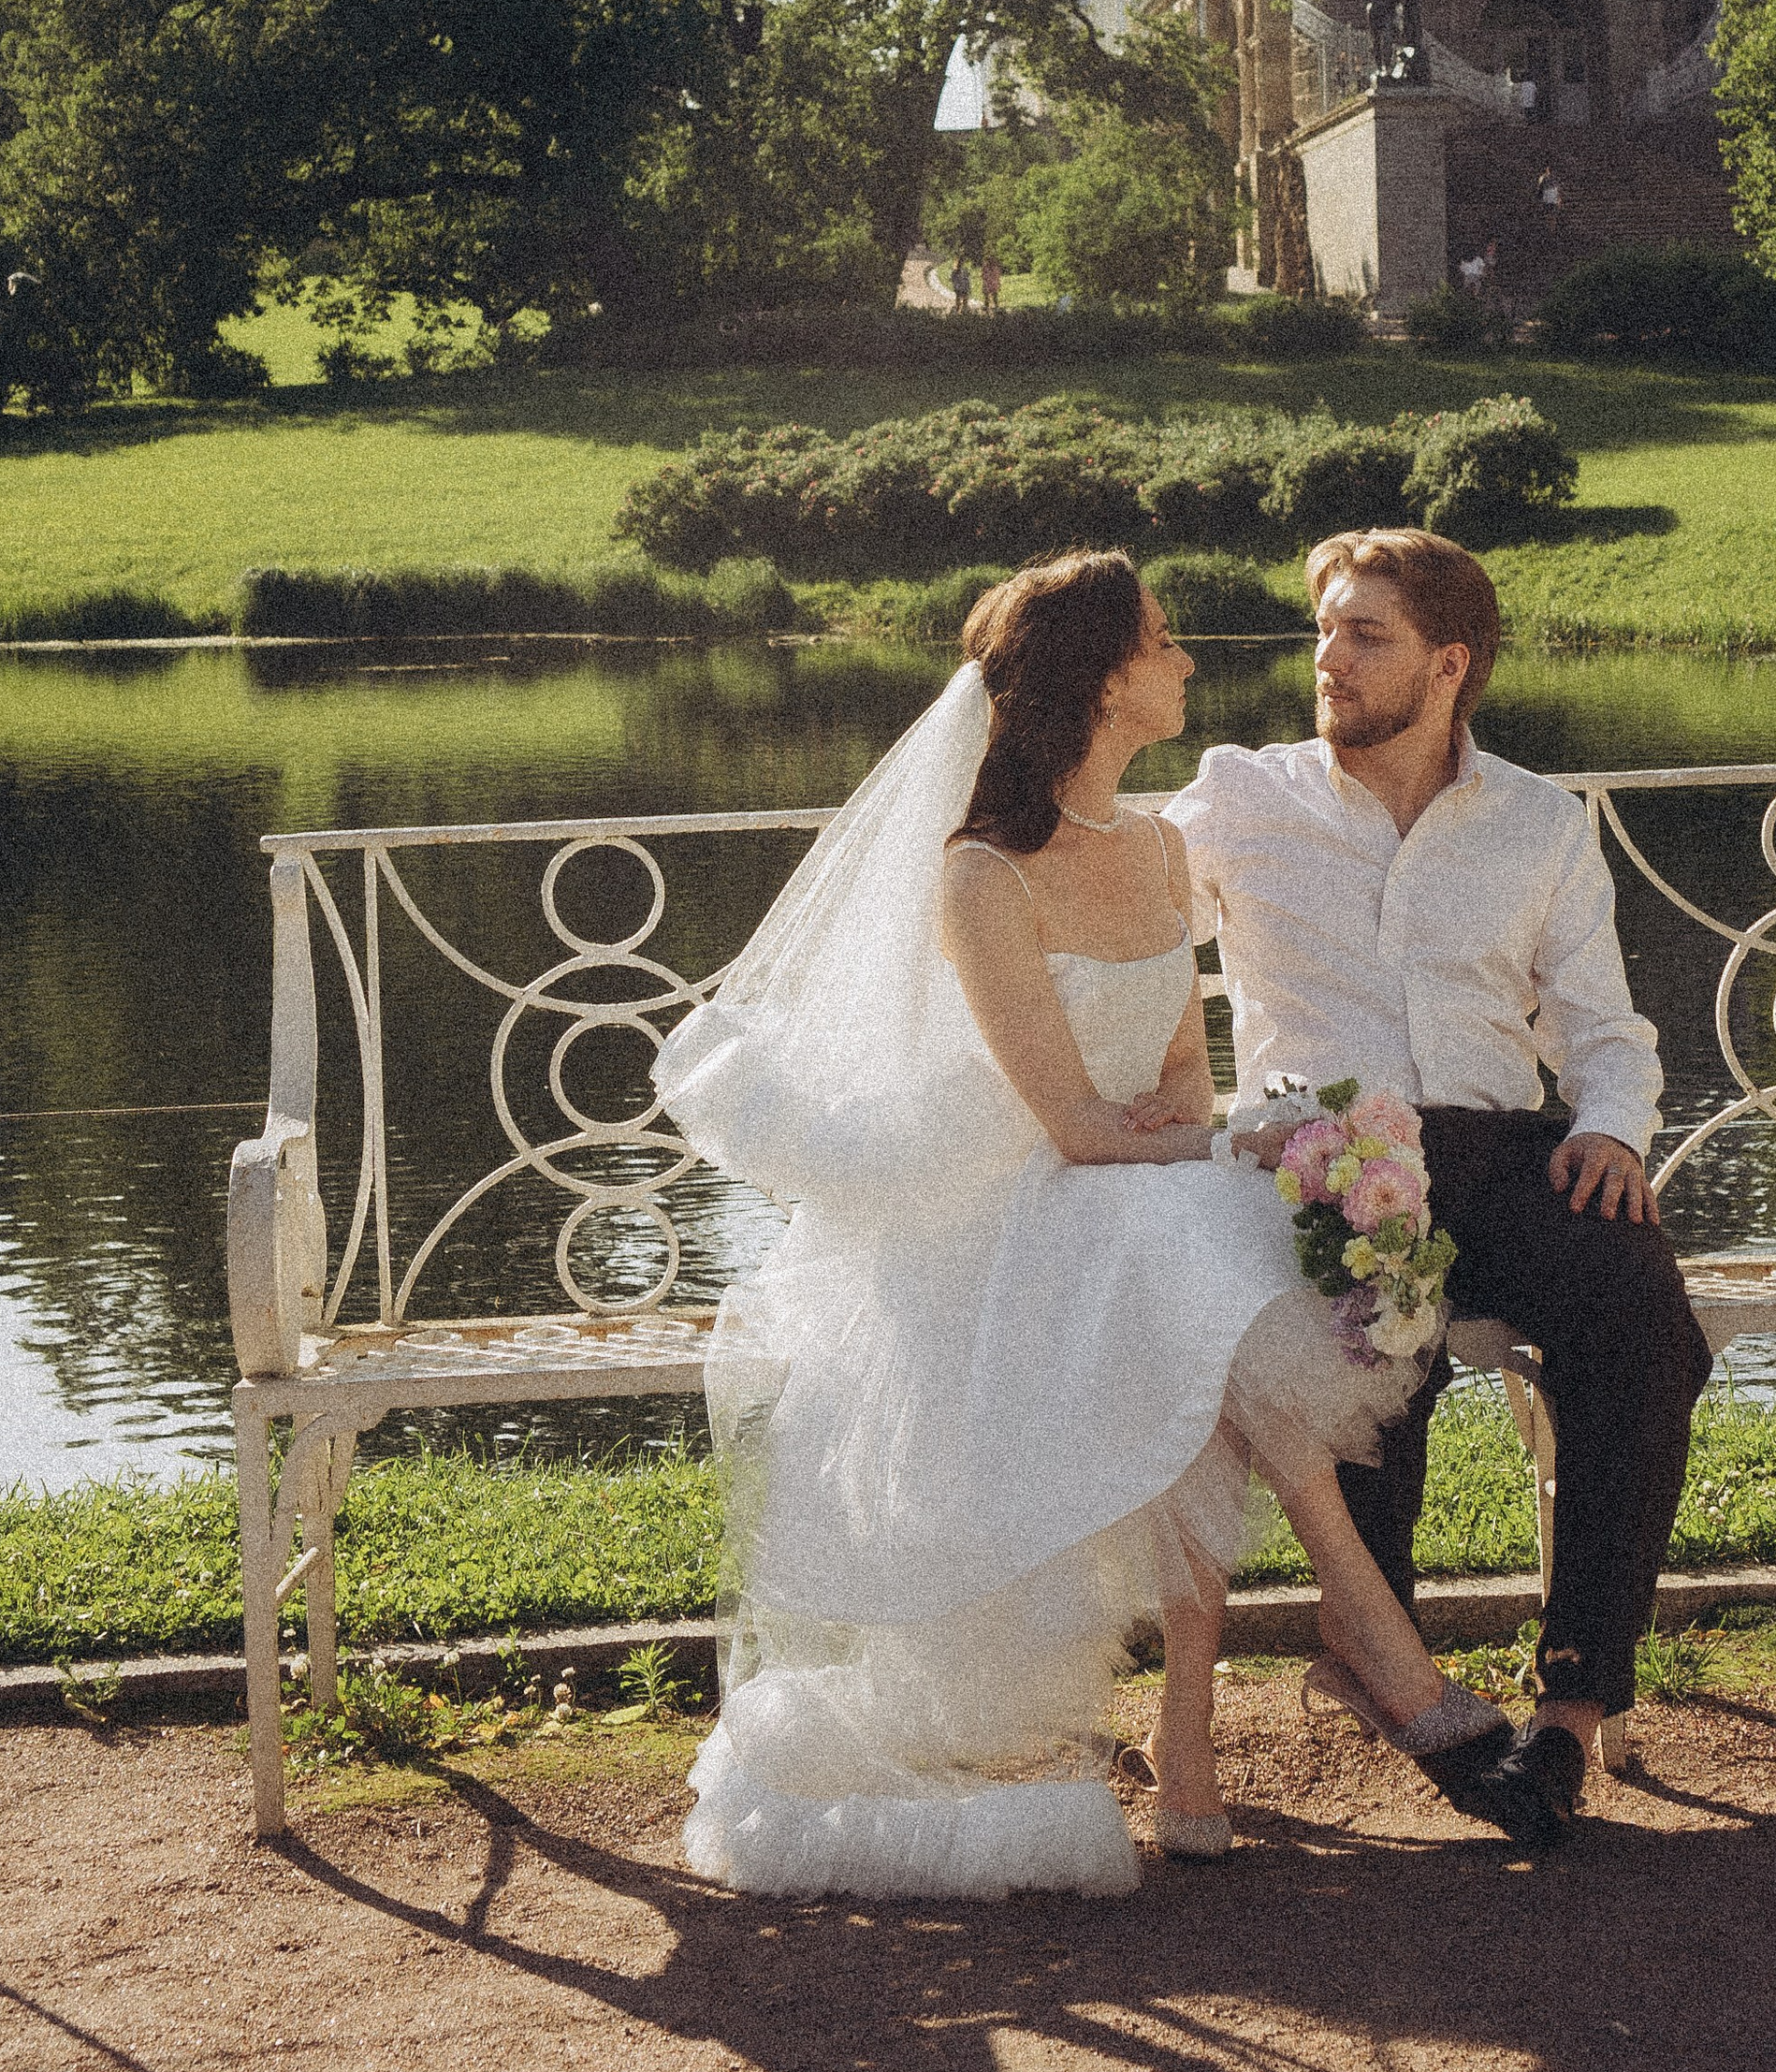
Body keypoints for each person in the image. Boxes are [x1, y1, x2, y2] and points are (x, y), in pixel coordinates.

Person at [654, 552, 1546, 1901]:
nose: (1189, 660)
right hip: (992, 1217)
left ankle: (1215, 1730)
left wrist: (1222, 1139)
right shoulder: (982, 877)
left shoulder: (1159, 848)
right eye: (1164, 640)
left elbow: (1180, 1083)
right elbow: (1070, 1124)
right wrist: (1230, 1142)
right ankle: (1373, 1648)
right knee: (1191, 1257)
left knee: (1196, 1258)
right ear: (1101, 681)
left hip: (1126, 1195)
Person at [1171, 533, 1710, 1848]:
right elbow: (1111, 922)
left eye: (1366, 637)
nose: (1329, 660)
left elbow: (1606, 1030)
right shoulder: (1243, 797)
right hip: (1322, 1159)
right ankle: (1383, 1655)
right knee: (1365, 1334)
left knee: (1645, 1323)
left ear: (1449, 663)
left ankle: (1571, 1712)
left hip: (1499, 1152)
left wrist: (1614, 1132)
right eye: (1325, 632)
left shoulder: (1539, 823)